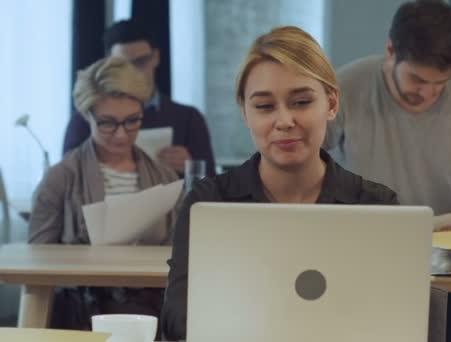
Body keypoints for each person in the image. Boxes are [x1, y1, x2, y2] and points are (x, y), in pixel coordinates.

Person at [161, 26, 400, 341]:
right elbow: (178, 320)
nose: (284, 120)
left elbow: (394, 320)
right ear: (245, 112)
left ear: (331, 104)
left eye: (301, 102)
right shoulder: (210, 203)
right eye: (264, 106)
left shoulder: (376, 206)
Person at [324, 1, 451, 341]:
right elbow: (306, 156)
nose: (427, 92)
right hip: (361, 255)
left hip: (449, 261)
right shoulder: (346, 87)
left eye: (441, 82)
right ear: (389, 50)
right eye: (417, 78)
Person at [29, 56, 179, 333]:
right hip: (81, 311)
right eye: (108, 123)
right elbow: (37, 262)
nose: (121, 135)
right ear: (86, 116)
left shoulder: (165, 178)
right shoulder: (60, 178)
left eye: (132, 121)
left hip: (152, 309)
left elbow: (178, 254)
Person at [63, 20, 216, 177]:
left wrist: (191, 166)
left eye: (141, 62)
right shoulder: (87, 117)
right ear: (109, 64)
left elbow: (212, 187)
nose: (133, 72)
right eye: (123, 64)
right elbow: (68, 176)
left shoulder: (188, 118)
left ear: (155, 57)